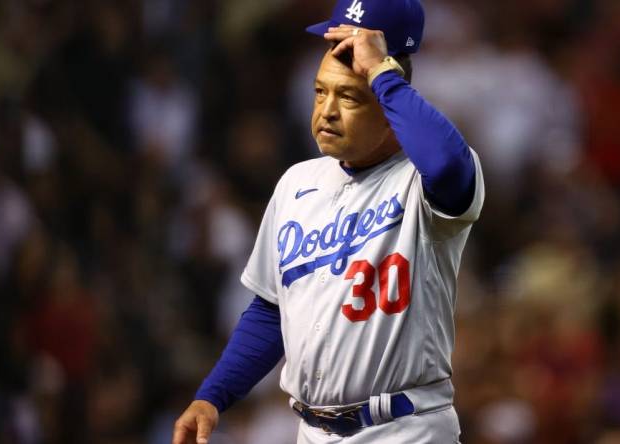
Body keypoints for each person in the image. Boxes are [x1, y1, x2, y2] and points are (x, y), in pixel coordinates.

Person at [172, 0, 484, 442]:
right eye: (321, 92)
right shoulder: (297, 183)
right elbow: (272, 309)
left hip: (405, 429)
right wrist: (213, 395)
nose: (326, 112)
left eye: (350, 96)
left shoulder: (422, 179)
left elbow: (451, 166)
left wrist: (383, 76)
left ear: (390, 103)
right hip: (312, 432)